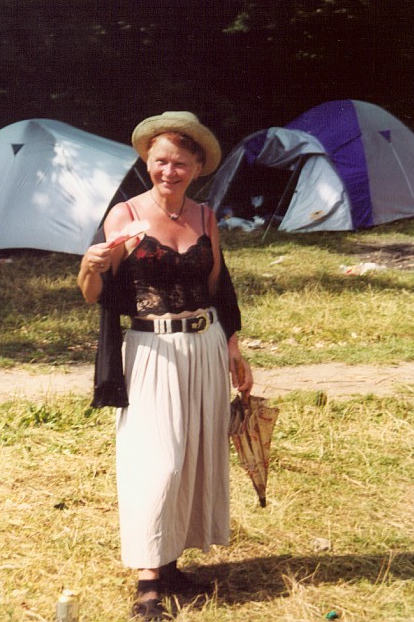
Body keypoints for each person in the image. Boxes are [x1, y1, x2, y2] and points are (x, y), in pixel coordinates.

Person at [77, 111, 253, 621]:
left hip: (204, 346)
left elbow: (218, 286)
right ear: (147, 162)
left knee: (194, 455)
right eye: (160, 161)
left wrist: (233, 346)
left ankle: (170, 561)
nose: (168, 171)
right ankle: (148, 583)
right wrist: (89, 267)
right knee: (158, 463)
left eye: (179, 163)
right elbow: (95, 294)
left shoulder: (205, 217)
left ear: (196, 167)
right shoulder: (125, 215)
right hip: (150, 351)